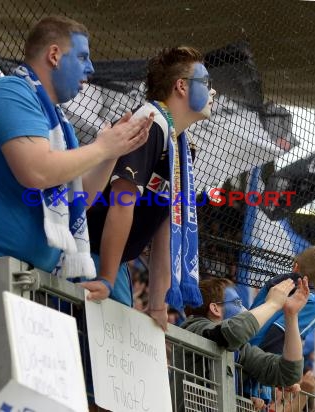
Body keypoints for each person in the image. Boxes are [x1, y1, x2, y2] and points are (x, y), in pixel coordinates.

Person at [0, 15, 153, 404]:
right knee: (15, 396)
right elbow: (36, 170)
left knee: (23, 398)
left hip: (13, 280)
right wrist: (102, 148)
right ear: (54, 55)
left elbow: (82, 198)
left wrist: (115, 152)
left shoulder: (60, 124)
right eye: (84, 56)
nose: (91, 68)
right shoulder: (9, 93)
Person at [82, 46, 216, 329]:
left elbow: (165, 229)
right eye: (206, 83)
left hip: (115, 265)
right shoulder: (149, 123)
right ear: (181, 86)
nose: (212, 92)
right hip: (87, 256)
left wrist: (158, 305)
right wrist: (105, 277)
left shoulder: (181, 146)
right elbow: (122, 203)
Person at [180, 276, 307, 409]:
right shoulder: (194, 328)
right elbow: (232, 332)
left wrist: (291, 315)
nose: (245, 309)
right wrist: (272, 304)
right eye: (237, 303)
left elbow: (288, 373)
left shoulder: (239, 348)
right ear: (215, 309)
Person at [249, 245, 315, 353]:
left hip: (239, 345)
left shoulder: (276, 282)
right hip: (254, 360)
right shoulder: (313, 303)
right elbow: (279, 335)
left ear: (295, 267)